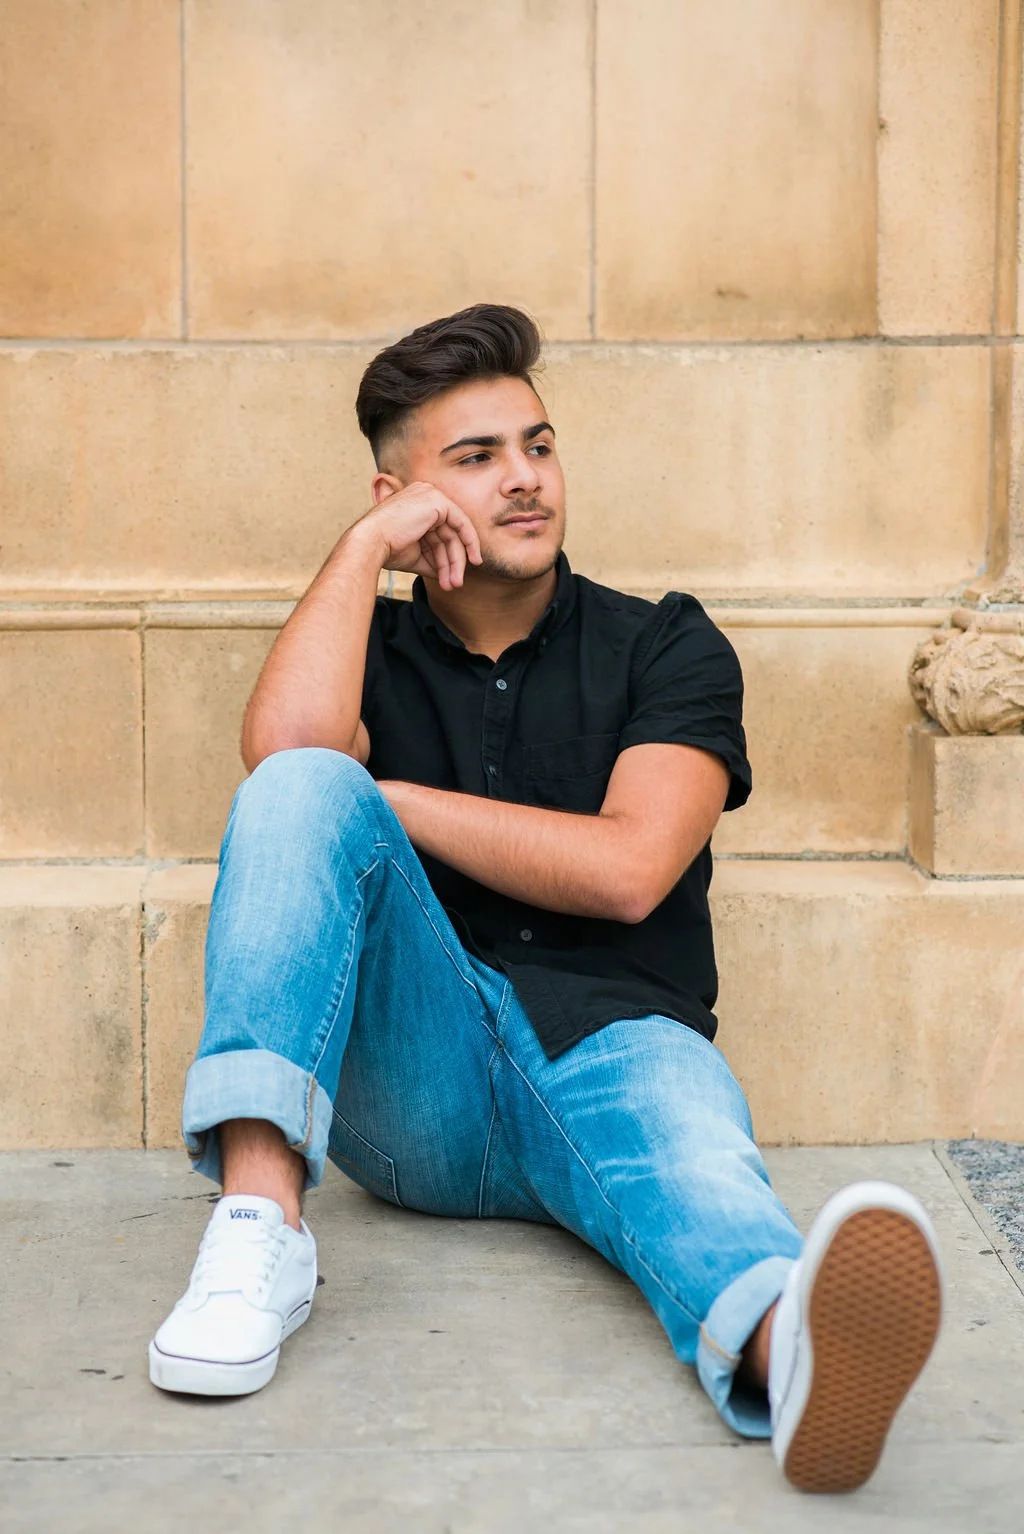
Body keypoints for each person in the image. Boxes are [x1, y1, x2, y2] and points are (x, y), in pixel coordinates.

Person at [149, 304, 943, 1494]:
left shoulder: (663, 645)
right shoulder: (365, 644)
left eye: (538, 444)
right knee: (309, 782)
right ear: (400, 493)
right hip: (418, 1085)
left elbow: (629, 870)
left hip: (618, 1042)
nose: (525, 480)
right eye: (476, 459)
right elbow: (293, 768)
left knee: (694, 1166)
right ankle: (260, 1233)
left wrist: (396, 803)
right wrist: (364, 556)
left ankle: (797, 1358)